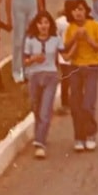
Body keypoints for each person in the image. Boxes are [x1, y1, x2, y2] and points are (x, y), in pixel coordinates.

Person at [23, 11, 67, 158]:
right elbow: (25, 60)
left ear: (50, 25)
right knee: (36, 108)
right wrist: (34, 58)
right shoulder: (30, 40)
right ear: (36, 25)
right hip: (34, 76)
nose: (44, 26)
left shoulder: (55, 39)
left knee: (45, 109)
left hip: (50, 76)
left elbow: (65, 55)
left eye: (46, 23)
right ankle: (39, 133)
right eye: (41, 23)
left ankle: (40, 142)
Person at [63, 0, 98, 152]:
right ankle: (79, 137)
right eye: (75, 10)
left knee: (88, 103)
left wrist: (88, 39)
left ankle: (91, 133)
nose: (78, 13)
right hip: (75, 68)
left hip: (92, 67)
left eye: (81, 9)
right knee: (75, 104)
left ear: (86, 11)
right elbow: (65, 48)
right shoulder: (70, 28)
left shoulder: (94, 26)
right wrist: (75, 38)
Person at [5, 0, 42, 83]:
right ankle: (17, 70)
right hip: (18, 6)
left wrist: (41, 10)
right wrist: (9, 16)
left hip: (31, 4)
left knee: (31, 37)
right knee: (19, 39)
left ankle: (29, 68)